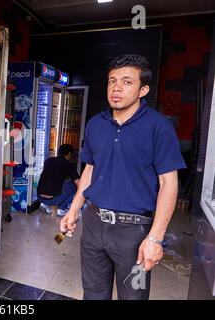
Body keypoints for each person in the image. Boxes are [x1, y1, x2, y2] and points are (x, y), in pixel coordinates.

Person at [60, 54, 186, 300]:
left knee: (133, 296)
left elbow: (168, 183)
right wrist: (74, 209)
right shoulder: (96, 124)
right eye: (112, 81)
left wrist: (155, 239)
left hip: (135, 230)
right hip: (94, 223)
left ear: (143, 89)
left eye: (127, 82)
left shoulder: (158, 127)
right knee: (93, 294)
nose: (116, 87)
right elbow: (90, 169)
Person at [36, 144, 80, 217]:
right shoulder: (68, 165)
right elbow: (79, 183)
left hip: (39, 197)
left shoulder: (48, 160)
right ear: (69, 154)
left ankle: (44, 205)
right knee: (73, 185)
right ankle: (62, 209)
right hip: (53, 199)